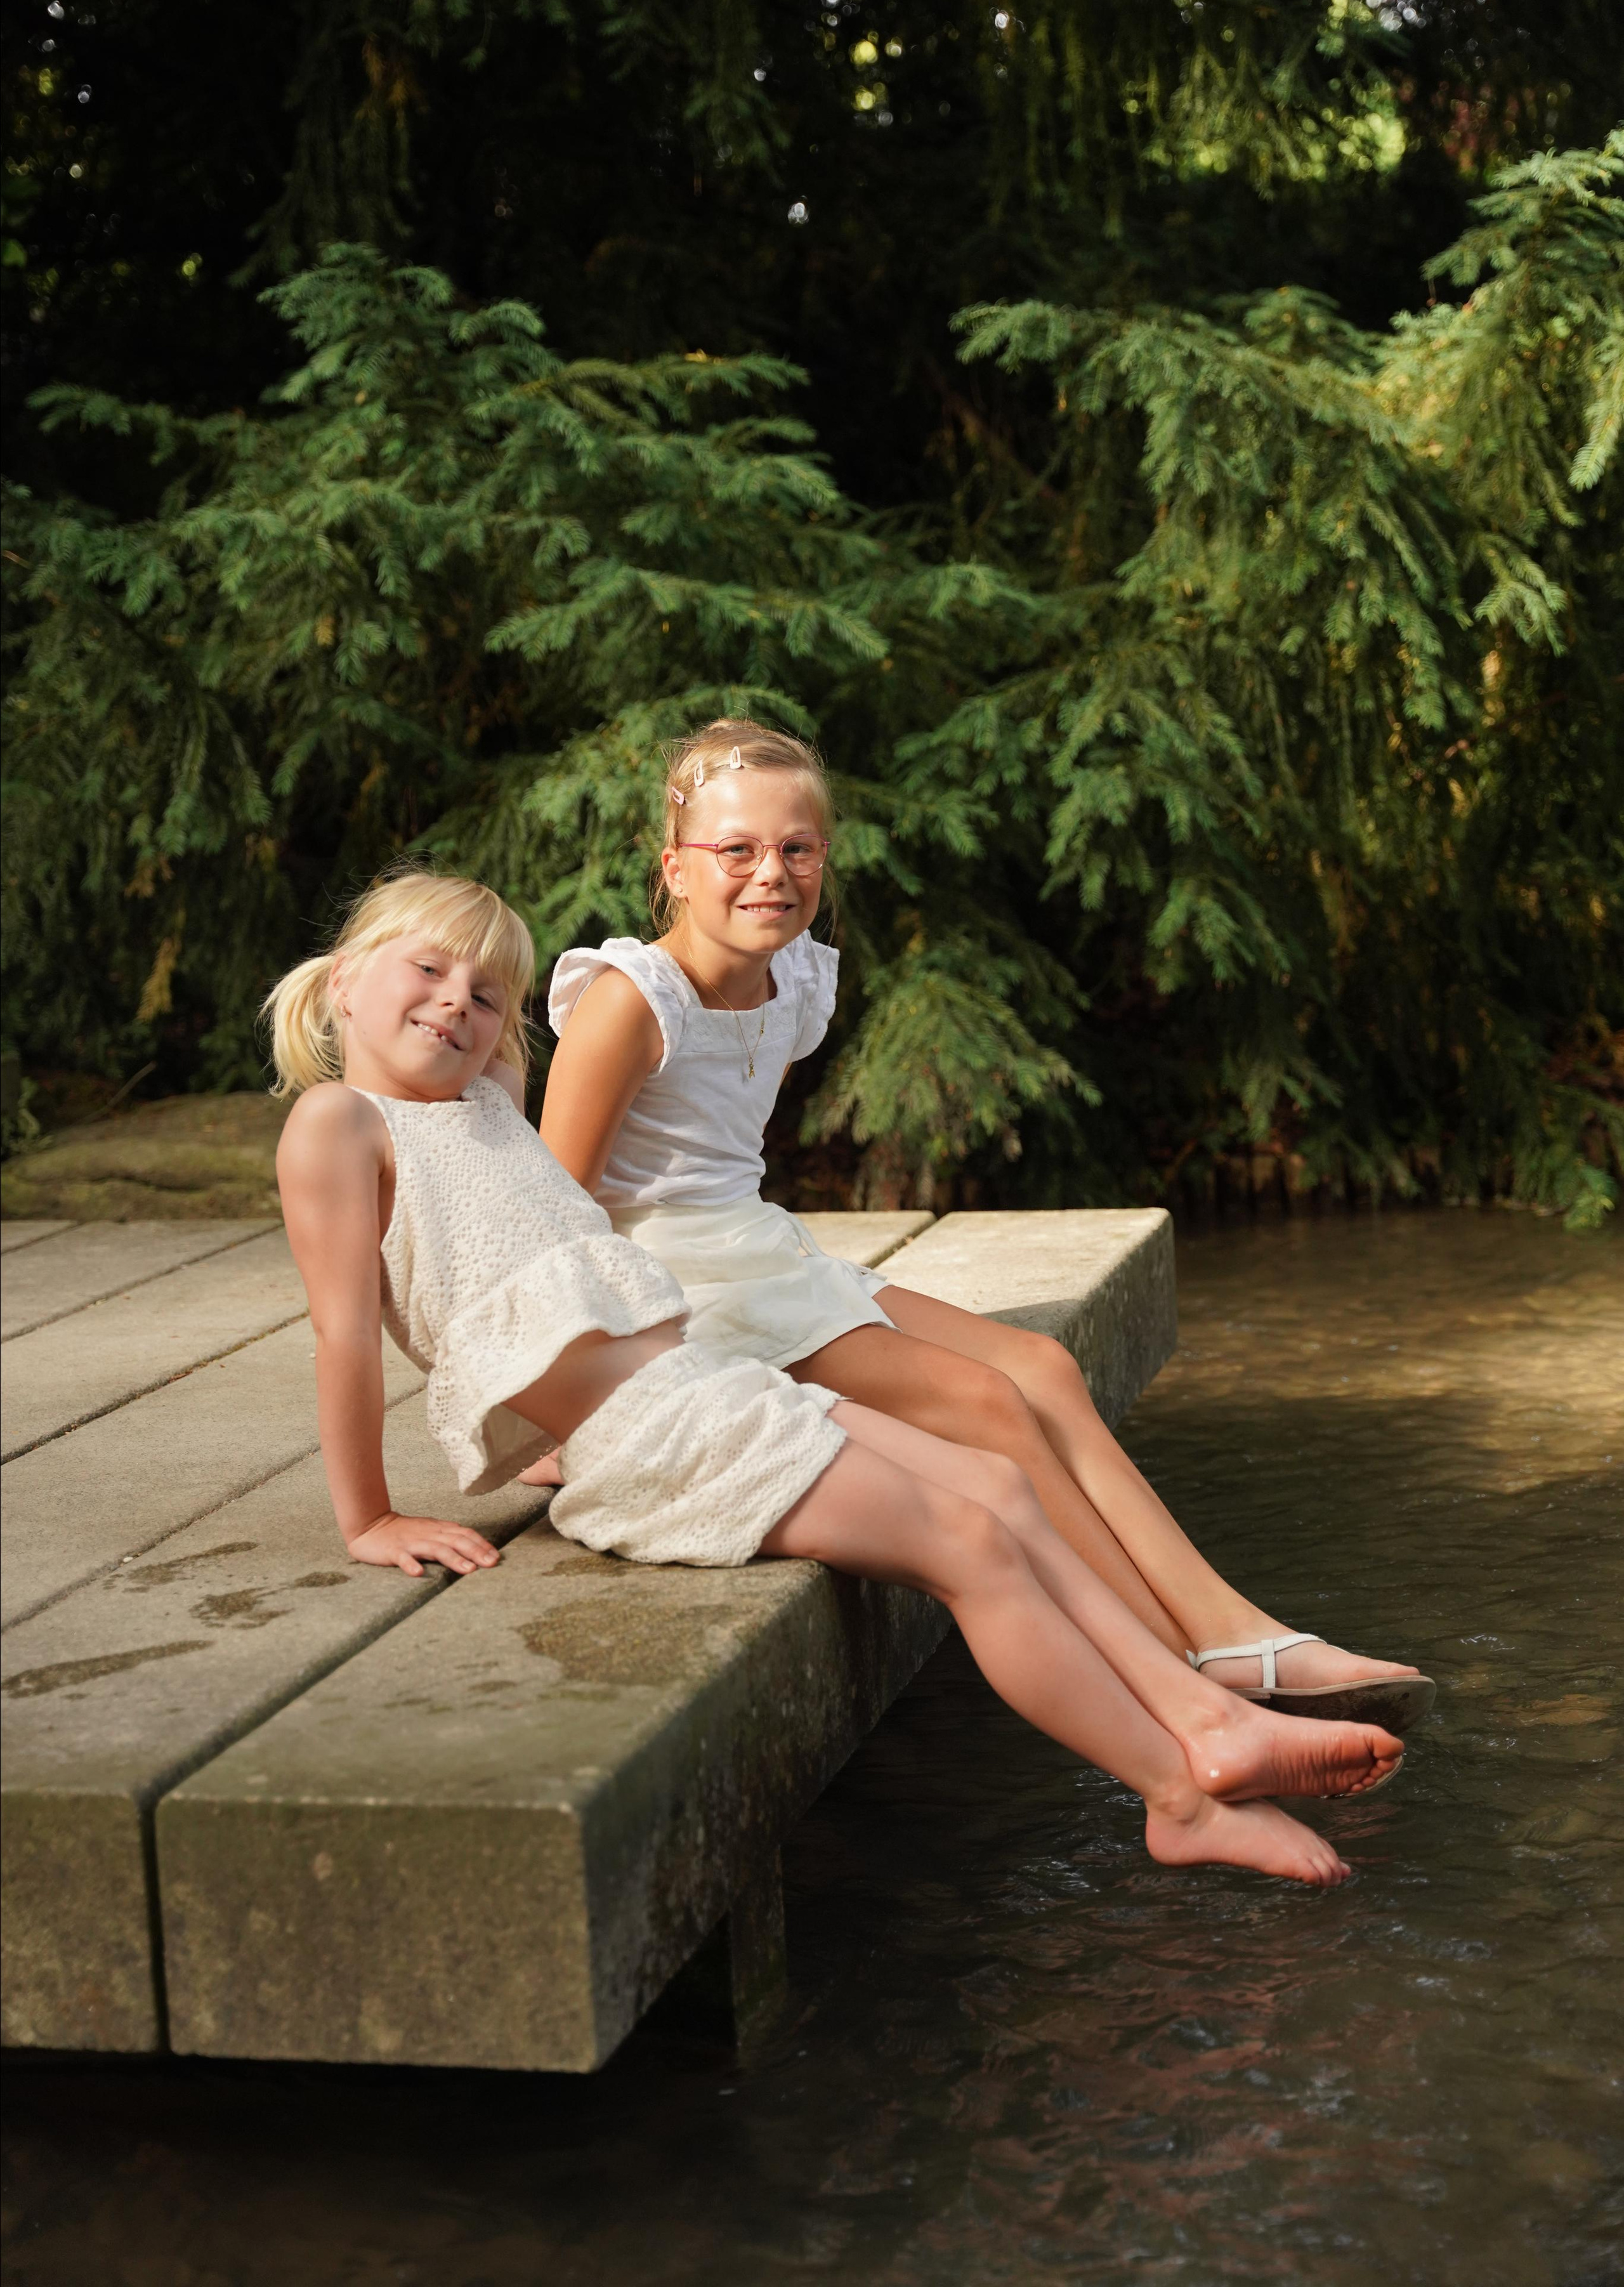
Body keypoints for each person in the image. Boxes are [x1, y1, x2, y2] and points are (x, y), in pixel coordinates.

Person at [267, 865, 1405, 1889]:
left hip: (707, 1389)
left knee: (998, 1485)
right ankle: (1177, 1797)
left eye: (487, 996)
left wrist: (541, 1428)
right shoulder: (338, 1123)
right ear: (344, 980)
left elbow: (531, 1238)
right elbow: (347, 1332)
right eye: (428, 970)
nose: (457, 1005)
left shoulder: (481, 1106)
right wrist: (369, 1517)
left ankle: (1205, 1709)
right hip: (659, 1441)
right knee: (968, 1545)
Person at [540, 719, 1435, 1733]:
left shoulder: (795, 981)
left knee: (1041, 1367)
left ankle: (1231, 1626)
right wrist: (566, 1402)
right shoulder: (630, 1000)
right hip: (678, 1292)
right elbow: (552, 1217)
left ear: (824, 855)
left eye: (797, 847)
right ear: (676, 867)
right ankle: (1174, 1668)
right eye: (736, 850)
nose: (771, 874)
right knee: (985, 1402)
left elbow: (727, 1157)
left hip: (756, 1250)